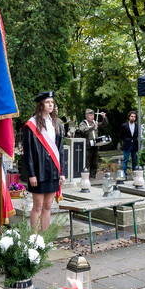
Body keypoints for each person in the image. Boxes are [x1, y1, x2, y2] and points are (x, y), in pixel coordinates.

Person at [20, 91, 66, 232]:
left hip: (53, 171)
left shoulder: (56, 124)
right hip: (38, 172)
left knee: (48, 206)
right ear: (41, 105)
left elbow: (60, 150)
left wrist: (62, 172)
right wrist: (31, 174)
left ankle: (44, 239)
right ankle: (34, 239)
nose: (51, 105)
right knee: (38, 206)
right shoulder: (31, 125)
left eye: (52, 102)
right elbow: (27, 153)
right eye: (47, 102)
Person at [77, 109, 103, 178]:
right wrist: (93, 127)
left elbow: (104, 125)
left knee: (94, 162)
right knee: (86, 162)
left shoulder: (95, 122)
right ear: (86, 116)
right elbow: (83, 131)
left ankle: (93, 176)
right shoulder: (83, 124)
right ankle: (84, 177)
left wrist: (104, 118)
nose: (92, 116)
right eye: (90, 115)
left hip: (95, 145)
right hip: (87, 147)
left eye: (93, 115)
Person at [119, 110, 139, 177]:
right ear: (129, 117)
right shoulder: (124, 125)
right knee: (126, 160)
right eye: (132, 116)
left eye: (134, 117)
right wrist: (126, 140)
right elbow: (121, 135)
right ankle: (124, 175)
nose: (133, 118)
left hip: (135, 145)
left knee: (135, 160)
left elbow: (137, 135)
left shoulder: (137, 126)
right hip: (127, 144)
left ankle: (134, 175)